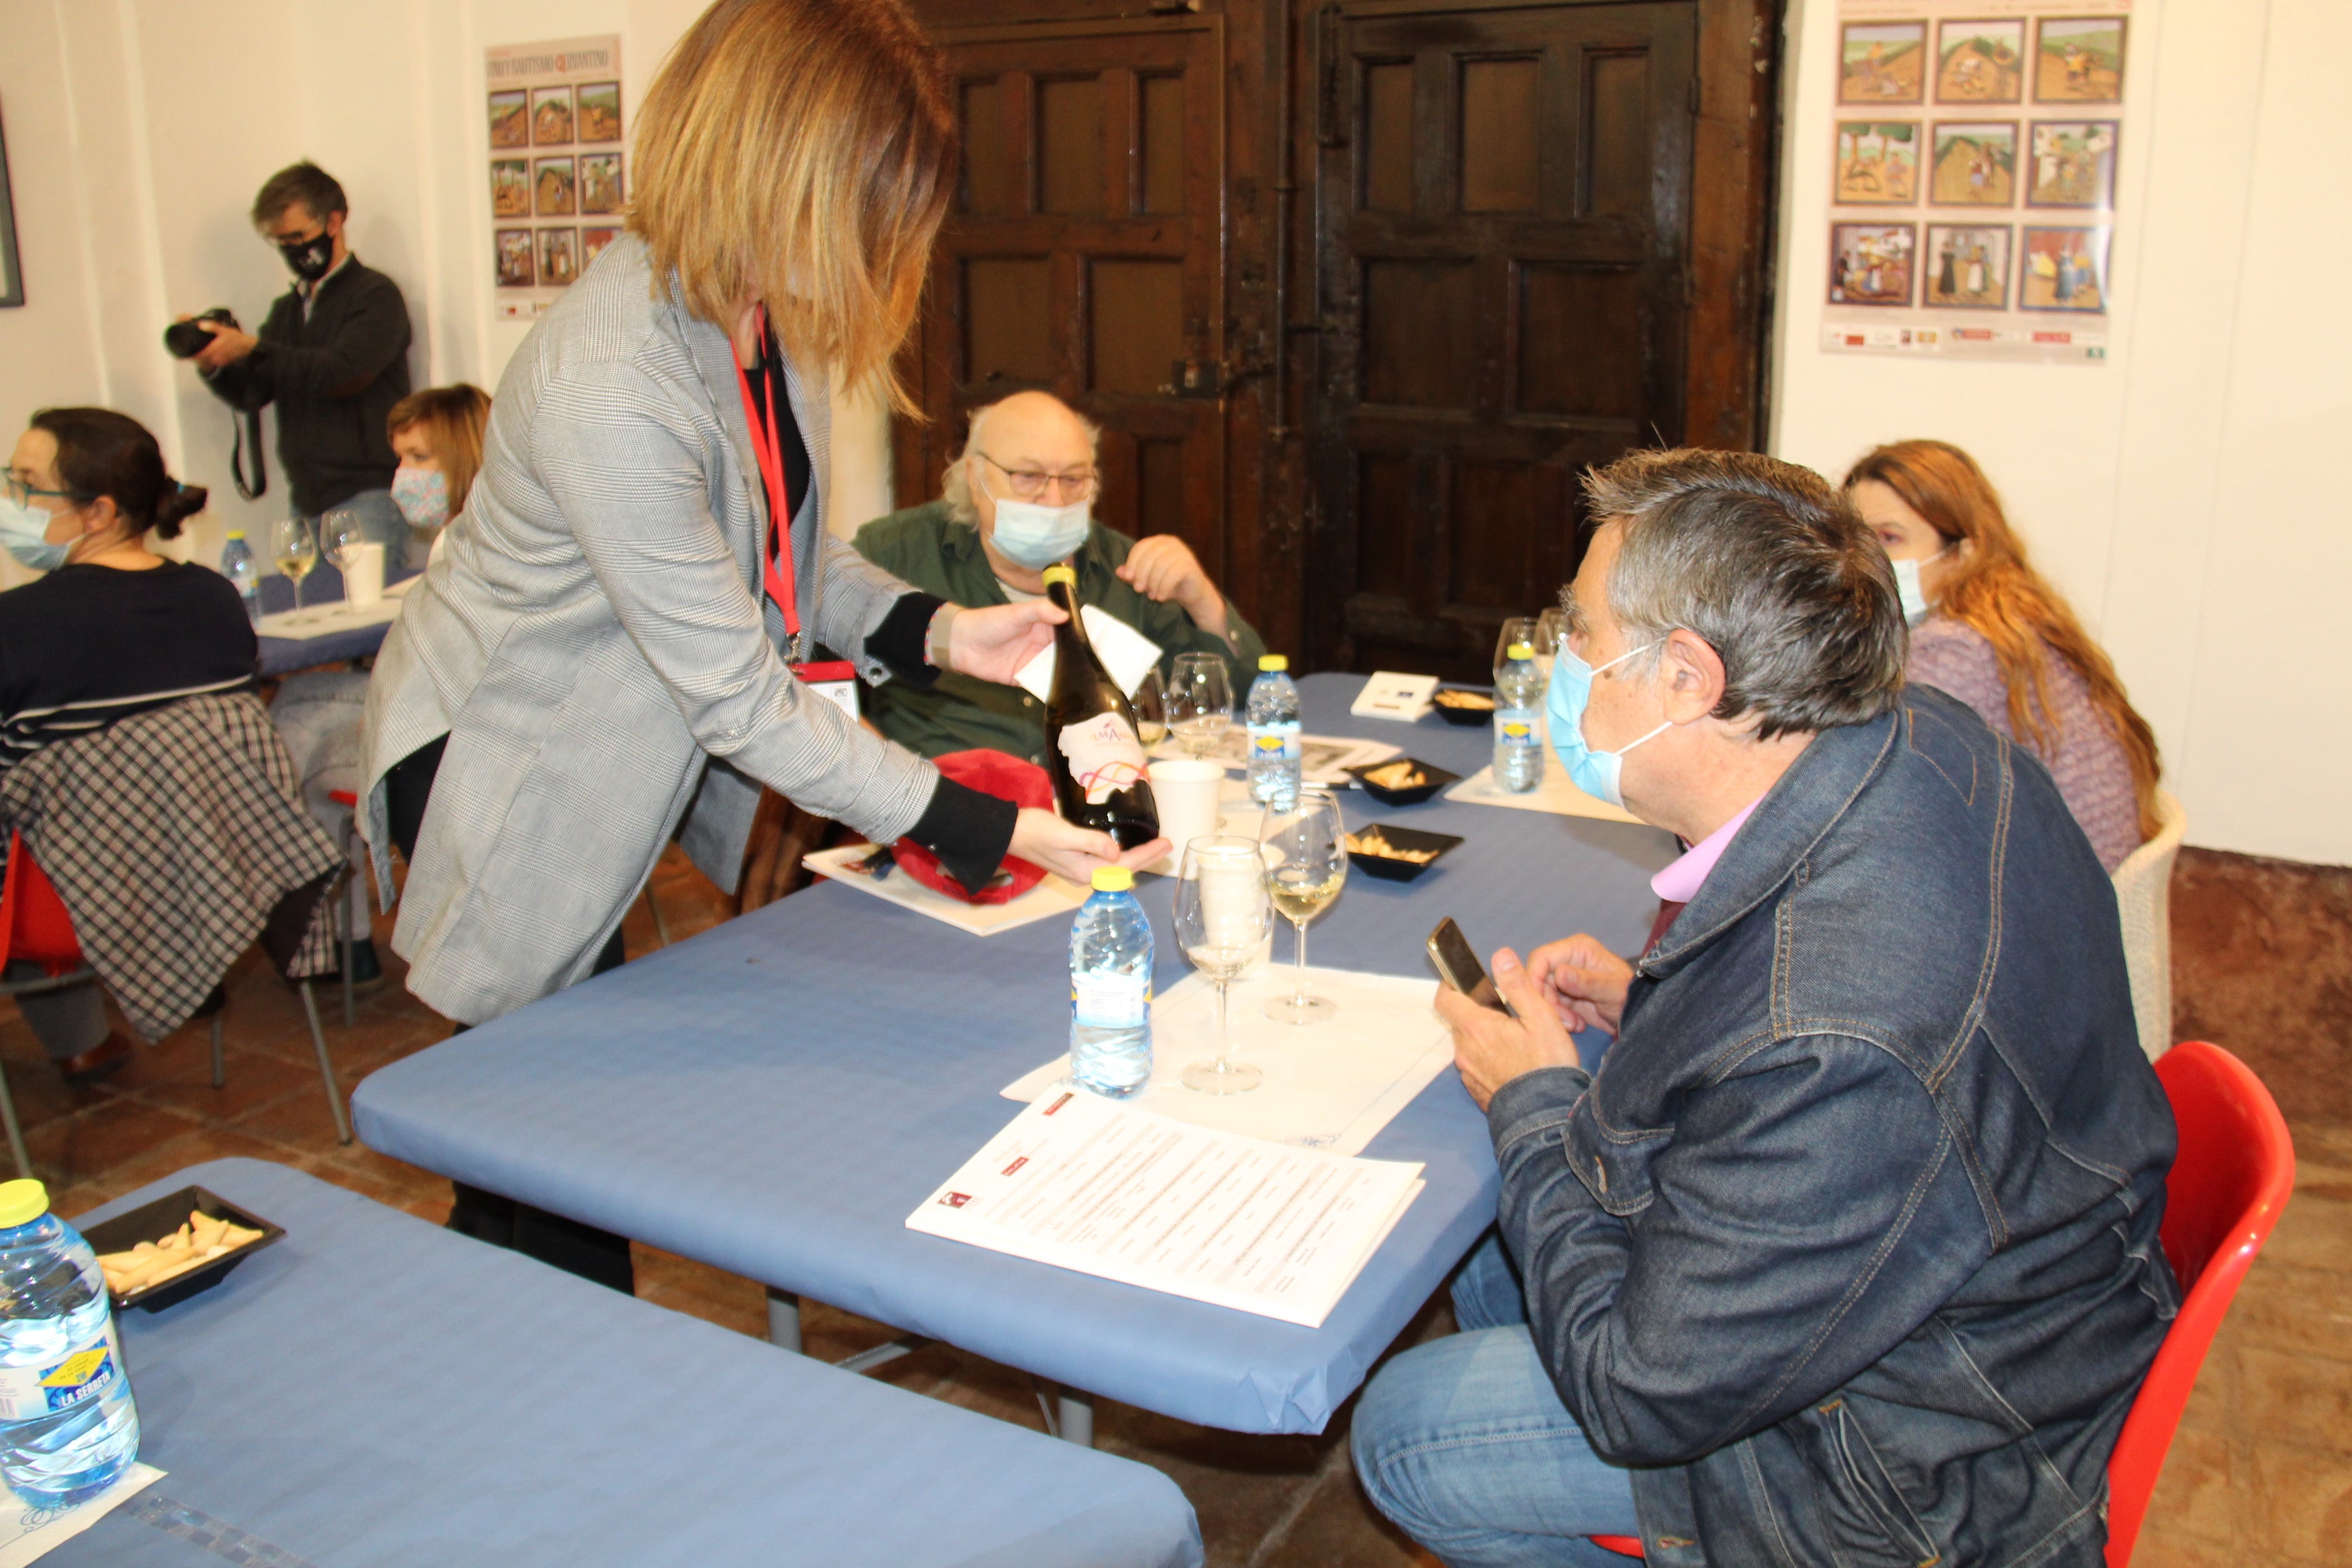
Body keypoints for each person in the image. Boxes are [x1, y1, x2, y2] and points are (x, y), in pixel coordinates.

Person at [360, 0, 1163, 1290]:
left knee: (556, 1117)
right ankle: (534, 1376)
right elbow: (740, 695)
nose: (875, 248)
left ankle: (542, 1341)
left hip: (610, 728)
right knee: (537, 1135)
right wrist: (993, 827)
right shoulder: (613, 382)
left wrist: (947, 627)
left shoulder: (743, 314)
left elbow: (787, 554)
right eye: (866, 206)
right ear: (781, 169)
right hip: (502, 754)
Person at [1350, 448, 2176, 1567]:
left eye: (1579, 627)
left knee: (1406, 1427)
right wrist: (1657, 995)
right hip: (1996, 1281)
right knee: (1511, 1237)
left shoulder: (1838, 1030)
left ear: (1689, 676)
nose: (1561, 654)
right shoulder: (1928, 732)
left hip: (1920, 1456)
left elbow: (1640, 1396)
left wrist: (1538, 1097)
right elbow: (1827, 1020)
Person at [0, 410, 249, 1082]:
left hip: (56, 903)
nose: (9, 502)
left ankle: (77, 1037)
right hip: (203, 873)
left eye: (25, 485)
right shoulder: (218, 599)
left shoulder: (17, 626)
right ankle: (79, 1039)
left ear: (97, 512)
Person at [853, 391, 1266, 765]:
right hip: (945, 812)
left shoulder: (1127, 571)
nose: (1054, 500)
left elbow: (1241, 706)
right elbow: (816, 686)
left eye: (1073, 479)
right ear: (974, 477)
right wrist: (891, 786)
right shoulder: (893, 554)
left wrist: (1203, 601)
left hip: (1095, 811)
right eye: (1028, 477)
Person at [1847, 439, 2157, 870]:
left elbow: (1863, 783)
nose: (1867, 559)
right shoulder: (2009, 621)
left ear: (1963, 553)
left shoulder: (1958, 649)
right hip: (2077, 889)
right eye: (1854, 538)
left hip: (2051, 905)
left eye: (1889, 538)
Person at [186, 161, 416, 567]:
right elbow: (255, 391)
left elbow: (341, 373)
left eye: (298, 236)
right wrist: (216, 363)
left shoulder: (374, 296)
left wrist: (254, 349)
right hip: (306, 496)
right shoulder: (288, 310)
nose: (292, 251)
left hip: (368, 494)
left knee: (369, 622)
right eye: (280, 242)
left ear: (333, 222)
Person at [387, 384, 491, 550]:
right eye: (400, 458)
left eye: (420, 456)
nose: (402, 473)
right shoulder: (451, 542)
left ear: (466, 455)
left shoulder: (488, 546)